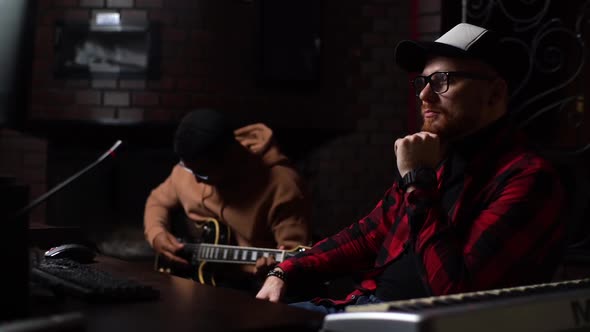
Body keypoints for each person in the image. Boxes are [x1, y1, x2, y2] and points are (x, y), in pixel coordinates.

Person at [256, 23, 566, 313]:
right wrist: (286, 269)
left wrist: (417, 181)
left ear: (495, 93)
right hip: (364, 307)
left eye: (443, 81)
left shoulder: (527, 178)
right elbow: (368, 234)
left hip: (415, 322)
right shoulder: (439, 158)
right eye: (423, 81)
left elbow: (456, 296)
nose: (424, 95)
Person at [144, 108, 311, 291]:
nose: (197, 180)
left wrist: (274, 271)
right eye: (191, 170)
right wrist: (157, 234)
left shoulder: (283, 186)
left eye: (202, 173)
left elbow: (296, 263)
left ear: (230, 158)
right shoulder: (190, 167)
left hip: (250, 290)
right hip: (198, 283)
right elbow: (157, 201)